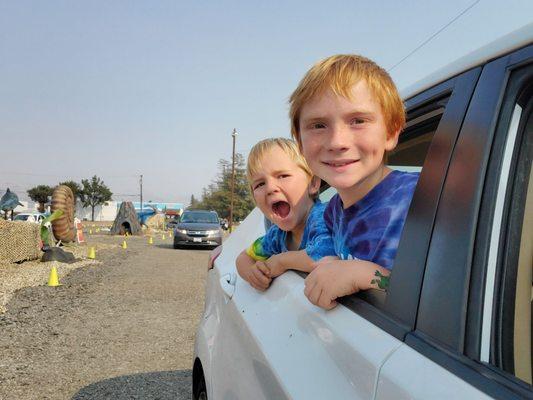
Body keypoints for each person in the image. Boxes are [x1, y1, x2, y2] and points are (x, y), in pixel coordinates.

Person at [289, 54, 419, 309]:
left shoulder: (422, 199)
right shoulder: (333, 212)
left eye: (358, 121)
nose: (337, 142)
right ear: (300, 142)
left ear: (391, 133)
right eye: (318, 125)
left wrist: (364, 274)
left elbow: (442, 304)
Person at [235, 138, 335, 291]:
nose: (270, 188)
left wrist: (281, 261)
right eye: (260, 184)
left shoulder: (323, 217)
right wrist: (253, 274)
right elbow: (244, 258)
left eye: (282, 176)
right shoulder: (277, 235)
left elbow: (324, 256)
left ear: (314, 183)